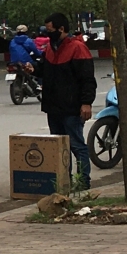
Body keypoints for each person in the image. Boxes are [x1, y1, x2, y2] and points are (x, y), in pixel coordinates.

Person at [38, 12, 97, 190]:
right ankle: (64, 181)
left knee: (77, 146)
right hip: (53, 107)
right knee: (58, 146)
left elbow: (87, 79)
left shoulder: (77, 48)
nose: (47, 33)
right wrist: (31, 68)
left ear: (61, 29)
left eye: (50, 30)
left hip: (72, 107)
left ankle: (83, 181)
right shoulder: (50, 49)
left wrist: (86, 103)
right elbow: (44, 70)